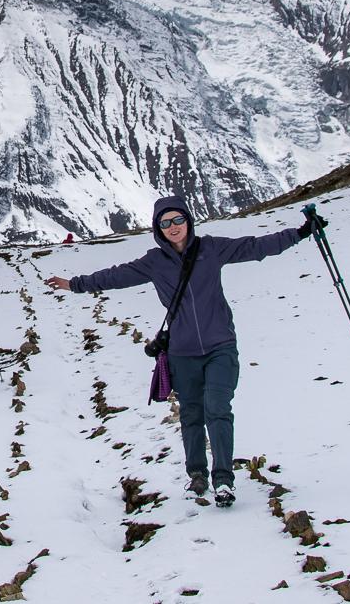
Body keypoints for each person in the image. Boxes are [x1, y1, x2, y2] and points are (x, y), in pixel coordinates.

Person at [43, 196, 325, 508]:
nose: (173, 227)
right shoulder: (153, 262)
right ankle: (197, 475)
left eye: (178, 220)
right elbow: (115, 276)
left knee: (218, 408)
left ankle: (223, 480)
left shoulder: (212, 249)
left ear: (188, 221)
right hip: (182, 352)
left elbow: (256, 247)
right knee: (192, 414)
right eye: (165, 223)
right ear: (158, 229)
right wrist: (75, 284)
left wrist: (300, 233)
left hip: (221, 346)